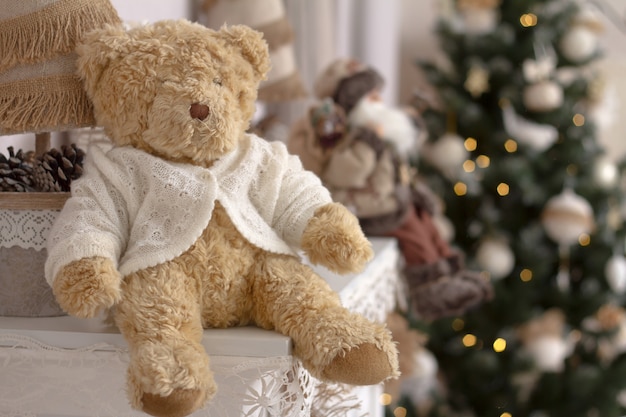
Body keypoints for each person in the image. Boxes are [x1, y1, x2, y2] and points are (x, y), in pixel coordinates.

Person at [288, 58, 493, 321]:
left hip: (388, 199)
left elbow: (398, 168)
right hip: (366, 207)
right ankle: (430, 289)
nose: (379, 99)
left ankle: (450, 272)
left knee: (425, 222)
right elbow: (345, 173)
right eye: (371, 96)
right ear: (353, 102)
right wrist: (368, 143)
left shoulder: (377, 131)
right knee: (413, 233)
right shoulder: (350, 136)